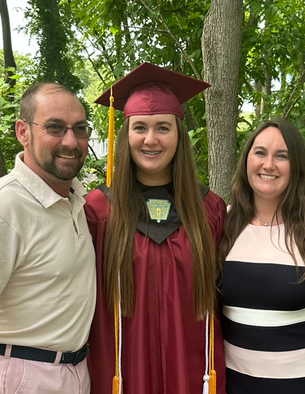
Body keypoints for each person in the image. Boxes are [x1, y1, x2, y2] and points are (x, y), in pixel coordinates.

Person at [0, 82, 96, 394]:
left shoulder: (76, 200)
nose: (71, 141)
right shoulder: (2, 208)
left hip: (73, 372)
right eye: (55, 127)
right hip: (21, 377)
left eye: (79, 129)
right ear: (23, 132)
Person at [86, 62, 226, 394]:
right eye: (140, 128)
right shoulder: (99, 211)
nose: (151, 139)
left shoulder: (209, 210)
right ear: (126, 135)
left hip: (193, 375)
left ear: (179, 135)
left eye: (163, 127)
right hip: (123, 374)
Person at [217, 119, 305, 393]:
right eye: (260, 153)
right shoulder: (222, 222)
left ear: (297, 166)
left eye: (282, 156)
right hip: (234, 382)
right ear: (246, 161)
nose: (268, 164)